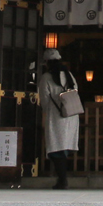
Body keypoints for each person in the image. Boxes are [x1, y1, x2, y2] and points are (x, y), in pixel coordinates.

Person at [35, 49, 80, 189]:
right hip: (72, 115)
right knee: (63, 148)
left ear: (47, 62)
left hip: (56, 116)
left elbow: (44, 100)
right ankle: (62, 179)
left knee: (56, 148)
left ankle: (63, 180)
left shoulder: (46, 78)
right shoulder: (70, 75)